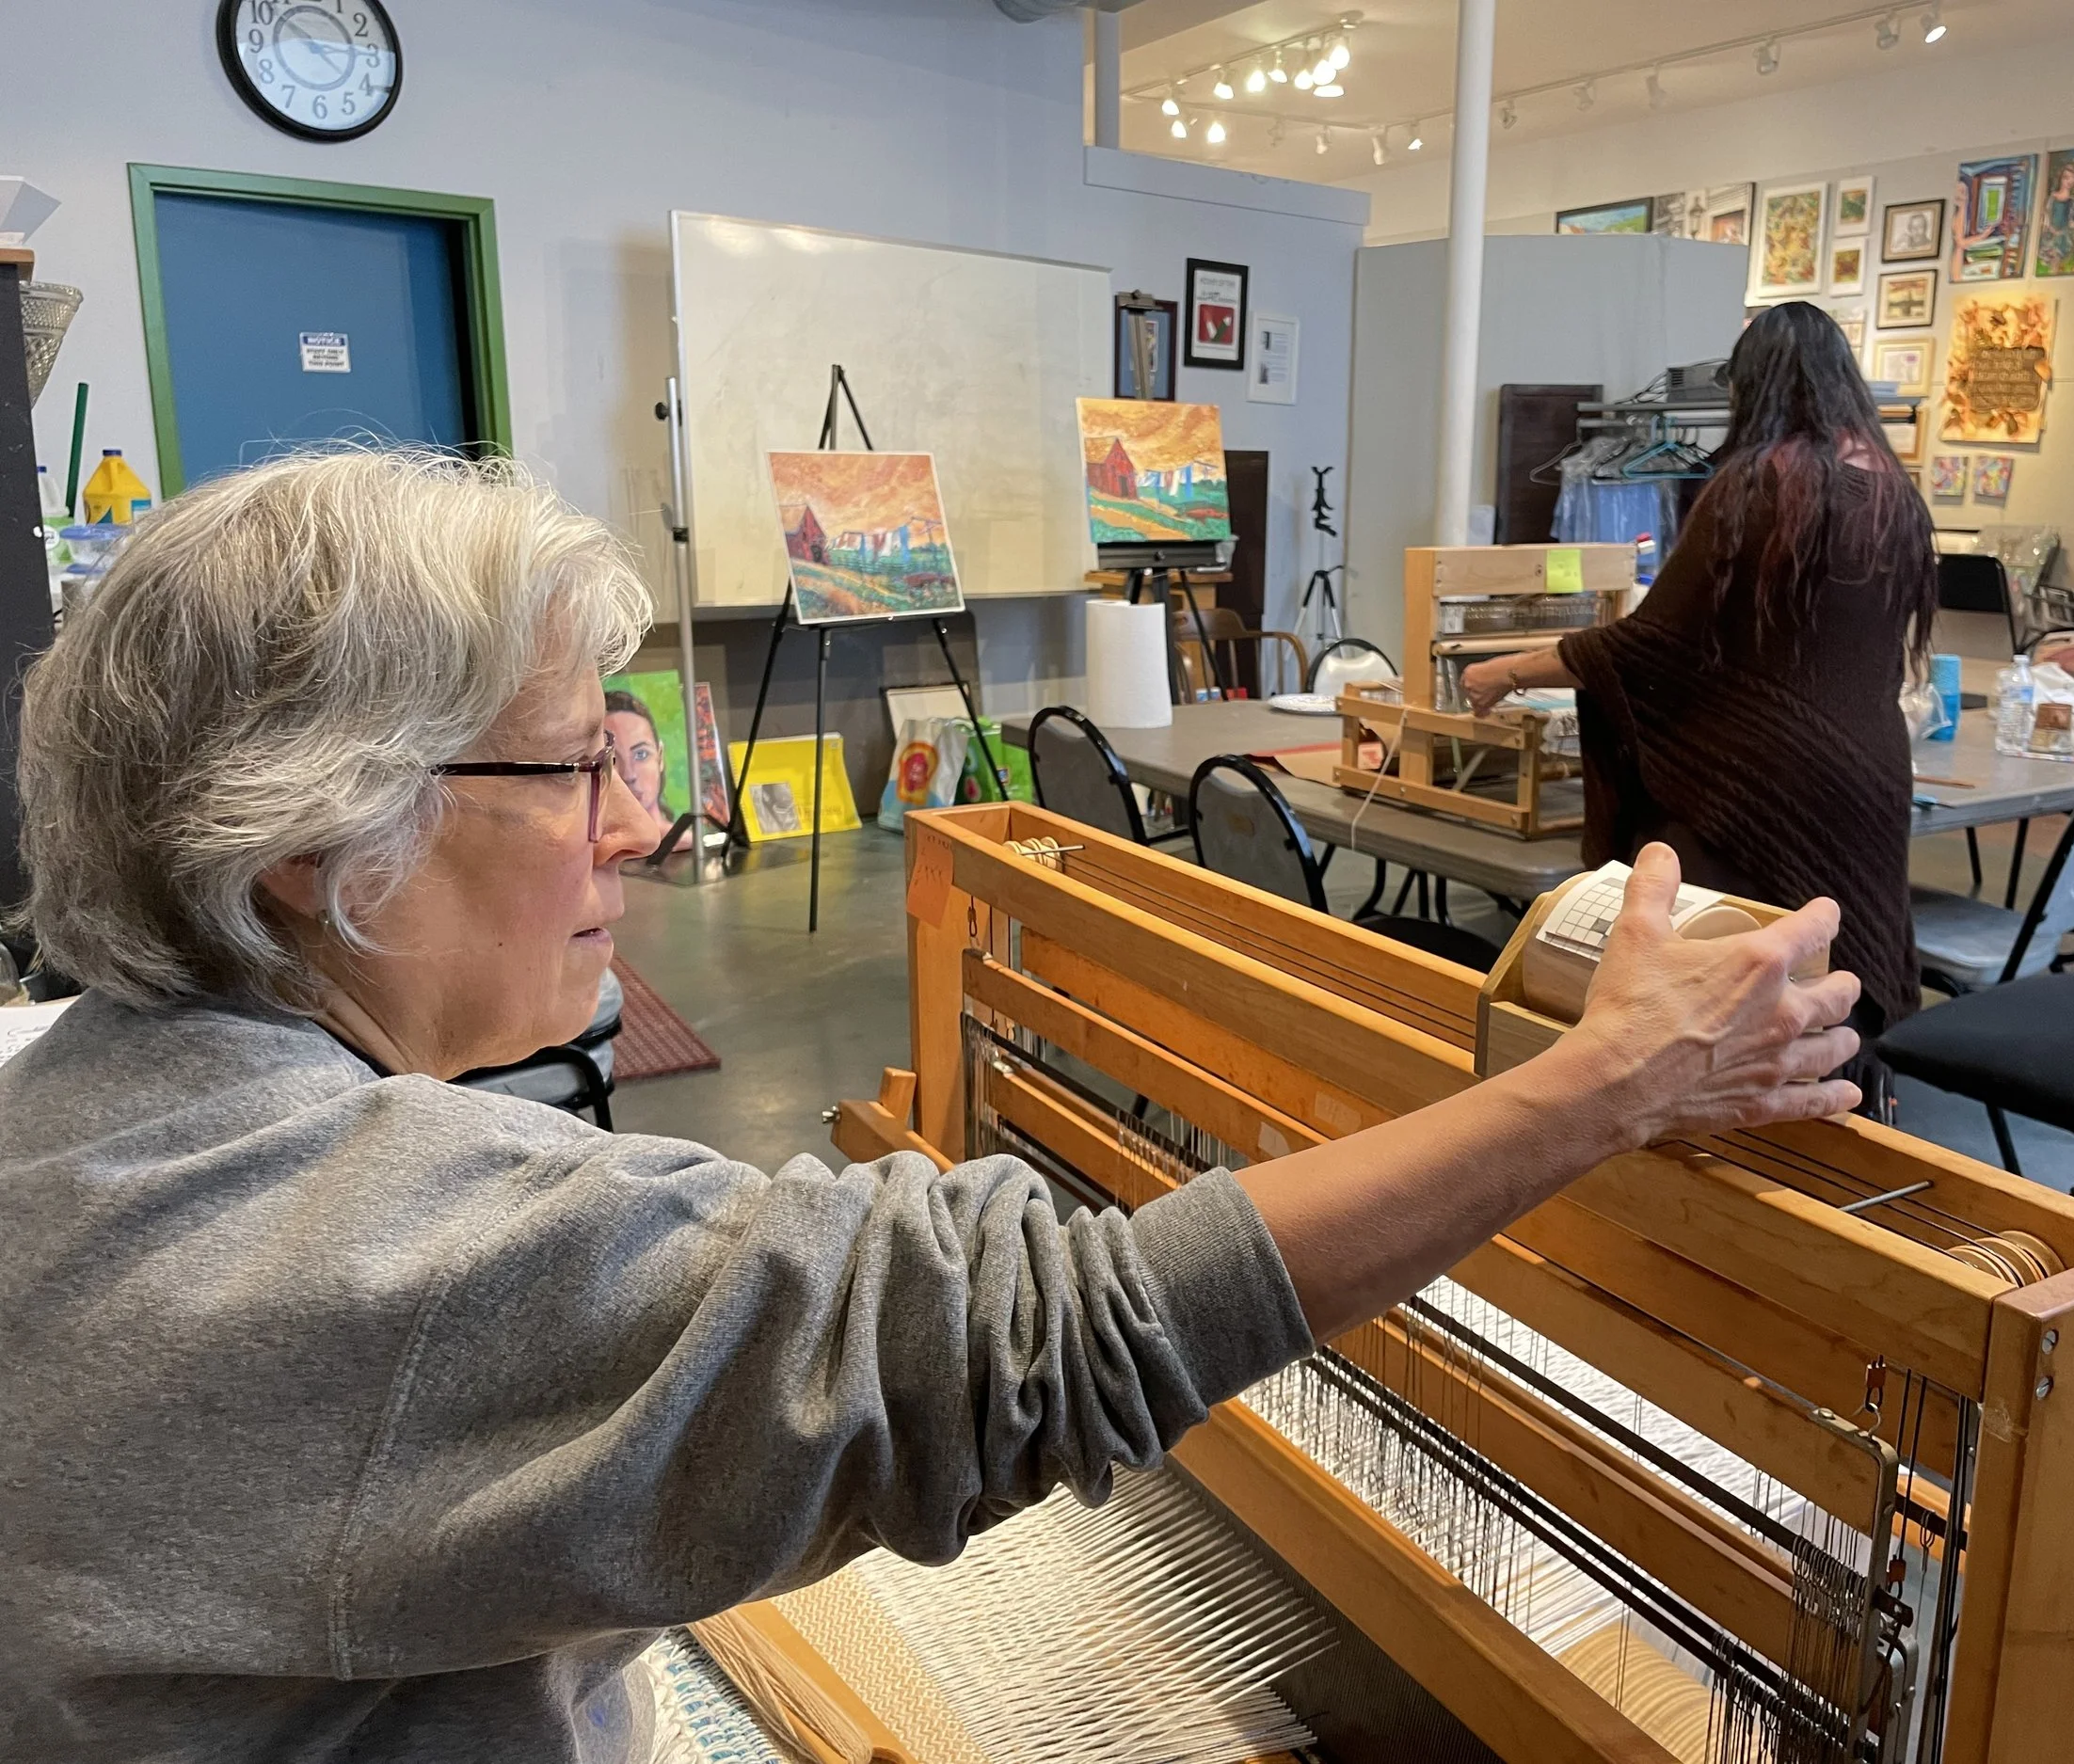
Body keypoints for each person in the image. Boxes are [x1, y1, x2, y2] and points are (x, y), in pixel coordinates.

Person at [0, 450, 1862, 1764]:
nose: (635, 828)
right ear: (324, 848)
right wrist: (1607, 1079)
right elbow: (1044, 1340)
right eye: (574, 767)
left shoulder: (73, 1111)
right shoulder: (357, 1255)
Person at [1464, 300, 1939, 1049]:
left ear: (1755, 386)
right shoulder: (1894, 494)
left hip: (1763, 783)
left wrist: (1507, 671)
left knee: (1724, 977)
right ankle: (1833, 1108)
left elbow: (1652, 644)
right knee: (1828, 960)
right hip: (1872, 774)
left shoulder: (1758, 486)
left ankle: (1719, 1127)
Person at [603, 686, 678, 822]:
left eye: (641, 754)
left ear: (660, 757)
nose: (629, 775)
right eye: (612, 760)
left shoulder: (691, 841)